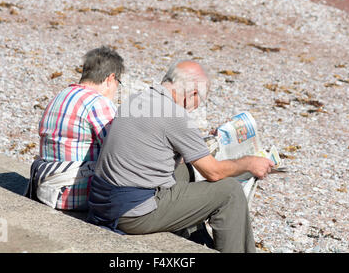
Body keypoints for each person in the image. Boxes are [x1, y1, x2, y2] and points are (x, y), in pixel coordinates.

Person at [87, 60, 274, 253]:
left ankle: (195, 238)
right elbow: (214, 173)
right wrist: (248, 163)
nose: (195, 109)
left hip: (102, 203)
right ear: (193, 93)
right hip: (132, 213)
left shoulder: (137, 99)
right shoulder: (175, 115)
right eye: (200, 101)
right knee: (230, 191)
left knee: (188, 172)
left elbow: (156, 147)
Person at [25, 46, 125, 211]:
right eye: (118, 83)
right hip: (74, 196)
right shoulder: (99, 103)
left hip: (45, 189)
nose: (116, 88)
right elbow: (119, 150)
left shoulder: (61, 96)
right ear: (110, 78)